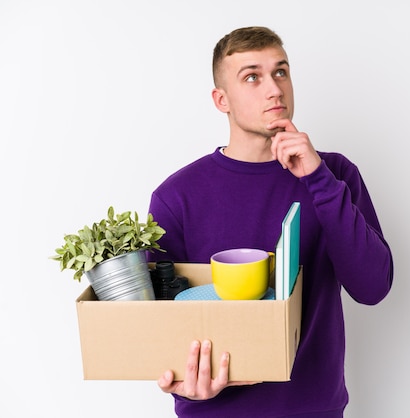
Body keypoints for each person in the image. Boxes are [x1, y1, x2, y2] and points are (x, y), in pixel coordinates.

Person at [147, 26, 393, 418]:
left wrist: (317, 179)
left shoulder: (335, 174)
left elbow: (373, 287)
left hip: (315, 411)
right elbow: (156, 327)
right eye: (252, 77)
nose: (274, 89)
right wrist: (187, 387)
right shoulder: (176, 197)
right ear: (221, 100)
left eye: (281, 71)